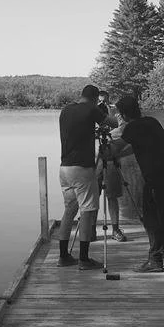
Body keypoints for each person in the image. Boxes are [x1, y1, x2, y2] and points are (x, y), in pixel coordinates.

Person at [108, 96, 164, 272]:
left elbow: (116, 148)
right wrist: (117, 154)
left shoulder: (132, 127)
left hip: (156, 180)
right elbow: (137, 146)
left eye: (119, 113)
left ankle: (155, 261)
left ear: (124, 114)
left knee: (151, 219)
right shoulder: (151, 122)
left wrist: (106, 143)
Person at [57, 84, 105, 270]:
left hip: (64, 168)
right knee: (87, 211)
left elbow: (78, 130)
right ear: (94, 98)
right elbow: (112, 123)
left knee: (69, 210)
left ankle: (63, 256)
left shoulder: (66, 110)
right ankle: (84, 259)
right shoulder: (92, 109)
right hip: (82, 169)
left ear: (81, 95)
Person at [96, 90, 127, 242]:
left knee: (112, 196)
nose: (102, 104)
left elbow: (123, 130)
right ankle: (88, 231)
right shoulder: (90, 115)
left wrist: (109, 117)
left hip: (111, 159)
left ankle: (115, 229)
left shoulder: (115, 115)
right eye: (99, 102)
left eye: (104, 102)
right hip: (94, 161)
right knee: (92, 196)